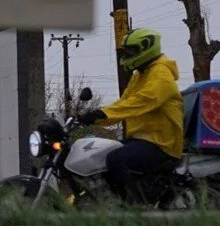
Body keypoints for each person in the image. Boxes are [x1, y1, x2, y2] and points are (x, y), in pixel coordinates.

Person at [77, 28, 184, 203]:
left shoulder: (161, 75)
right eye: (127, 51)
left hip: (162, 142)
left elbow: (140, 102)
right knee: (102, 154)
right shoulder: (139, 75)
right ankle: (112, 202)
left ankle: (137, 206)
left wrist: (102, 114)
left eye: (132, 51)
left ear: (146, 48)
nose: (127, 55)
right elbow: (124, 103)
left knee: (117, 159)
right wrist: (96, 117)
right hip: (141, 139)